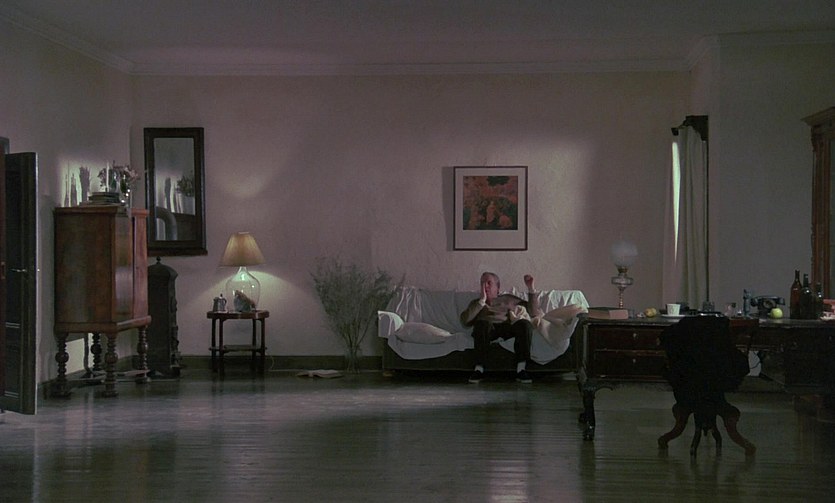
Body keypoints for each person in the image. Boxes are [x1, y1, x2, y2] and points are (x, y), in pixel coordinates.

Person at [459, 272, 541, 383]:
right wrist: (482, 301)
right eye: (482, 283)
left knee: (524, 324)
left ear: (497, 287)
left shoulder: (508, 299)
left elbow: (533, 312)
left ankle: (521, 369)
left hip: (507, 327)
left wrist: (531, 288)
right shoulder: (477, 303)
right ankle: (479, 370)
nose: (485, 286)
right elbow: (465, 321)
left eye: (489, 283)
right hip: (488, 329)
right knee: (482, 324)